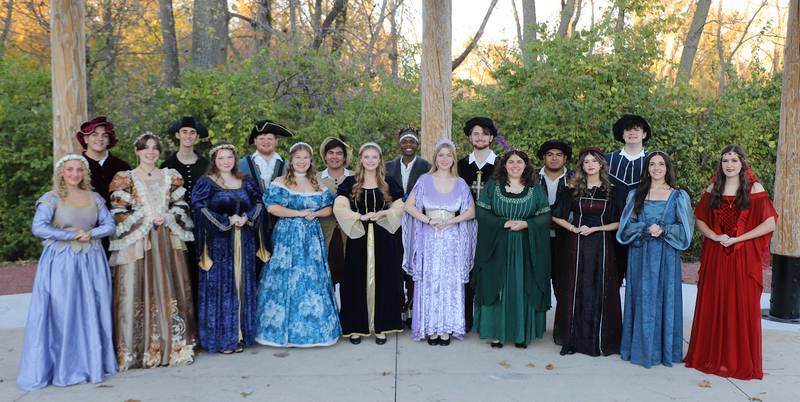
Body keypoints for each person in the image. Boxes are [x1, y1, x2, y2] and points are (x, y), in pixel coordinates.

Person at [17, 154, 117, 390]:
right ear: (62, 172)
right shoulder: (51, 198)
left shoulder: (94, 197)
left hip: (91, 260)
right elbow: (38, 227)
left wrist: (92, 233)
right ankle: (63, 366)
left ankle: (93, 363)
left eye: (79, 170)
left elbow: (110, 225)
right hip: (62, 262)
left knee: (93, 308)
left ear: (85, 173)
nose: (74, 174)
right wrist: (72, 234)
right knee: (64, 311)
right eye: (70, 170)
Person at [685, 145, 777, 380]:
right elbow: (700, 219)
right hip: (716, 254)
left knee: (740, 303)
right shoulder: (714, 187)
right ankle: (712, 356)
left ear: (742, 163)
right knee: (715, 301)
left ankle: (737, 360)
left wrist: (738, 238)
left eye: (734, 160)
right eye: (725, 160)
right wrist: (715, 236)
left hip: (742, 255)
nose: (729, 164)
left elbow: (769, 224)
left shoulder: (754, 188)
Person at [108, 132, 196, 370]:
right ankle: (139, 349)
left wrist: (167, 216)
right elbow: (117, 211)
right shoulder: (125, 177)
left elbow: (181, 204)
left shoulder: (171, 176)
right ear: (137, 151)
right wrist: (146, 219)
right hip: (140, 242)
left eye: (155, 148)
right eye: (145, 148)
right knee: (137, 288)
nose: (150, 152)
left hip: (166, 238)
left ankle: (173, 346)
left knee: (169, 287)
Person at [255, 142, 342, 347]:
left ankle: (315, 331)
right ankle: (280, 331)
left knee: (311, 280)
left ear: (310, 161)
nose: (302, 161)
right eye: (298, 158)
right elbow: (272, 208)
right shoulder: (280, 181)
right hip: (287, 236)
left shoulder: (317, 183)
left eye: (306, 158)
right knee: (284, 280)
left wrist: (315, 213)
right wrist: (299, 214)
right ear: (291, 160)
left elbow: (329, 208)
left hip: (311, 239)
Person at [617, 151, 693, 368]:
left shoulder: (679, 196)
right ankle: (640, 349)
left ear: (668, 168)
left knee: (665, 298)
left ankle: (664, 350)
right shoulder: (635, 195)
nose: (657, 168)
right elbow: (625, 227)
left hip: (666, 257)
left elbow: (686, 231)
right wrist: (644, 228)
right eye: (652, 164)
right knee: (641, 298)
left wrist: (665, 229)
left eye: (661, 164)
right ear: (647, 168)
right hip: (640, 256)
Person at [471, 149, 551, 349]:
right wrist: (502, 223)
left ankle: (520, 334)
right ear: (504, 165)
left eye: (519, 162)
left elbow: (544, 216)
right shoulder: (492, 186)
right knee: (497, 285)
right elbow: (481, 212)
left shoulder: (535, 188)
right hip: (497, 245)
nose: (515, 165)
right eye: (511, 162)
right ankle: (496, 333)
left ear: (526, 165)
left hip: (526, 247)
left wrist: (526, 224)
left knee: (522, 287)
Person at [192, 143, 266, 354]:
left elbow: (259, 203)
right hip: (219, 244)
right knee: (222, 288)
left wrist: (246, 217)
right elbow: (199, 208)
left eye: (229, 157)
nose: (226, 161)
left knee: (242, 284)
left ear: (235, 159)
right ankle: (224, 338)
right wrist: (226, 220)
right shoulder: (206, 183)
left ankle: (241, 335)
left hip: (245, 241)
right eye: (221, 158)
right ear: (214, 160)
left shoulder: (246, 181)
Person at [402, 139, 476, 345]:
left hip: (452, 238)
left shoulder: (460, 183)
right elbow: (409, 206)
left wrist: (452, 221)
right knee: (430, 280)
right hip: (429, 236)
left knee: (449, 282)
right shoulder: (424, 180)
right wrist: (429, 220)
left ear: (453, 159)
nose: (445, 159)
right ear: (435, 158)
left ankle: (446, 328)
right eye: (441, 155)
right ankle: (430, 328)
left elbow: (471, 211)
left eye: (448, 155)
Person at [551, 147, 622, 356]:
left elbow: (619, 222)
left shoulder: (612, 190)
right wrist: (573, 228)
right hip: (577, 244)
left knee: (600, 286)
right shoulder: (572, 188)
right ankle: (573, 338)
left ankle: (599, 338)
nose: (589, 165)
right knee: (575, 286)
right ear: (582, 166)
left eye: (593, 161)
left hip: (601, 244)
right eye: (586, 162)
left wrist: (597, 228)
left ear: (601, 164)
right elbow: (556, 215)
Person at [334, 142, 405, 345]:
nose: (371, 161)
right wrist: (358, 216)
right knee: (355, 279)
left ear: (380, 160)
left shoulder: (389, 182)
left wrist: (385, 212)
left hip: (384, 238)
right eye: (367, 157)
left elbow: (401, 204)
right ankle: (356, 327)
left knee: (385, 279)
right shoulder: (350, 182)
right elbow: (339, 205)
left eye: (375, 157)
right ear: (361, 160)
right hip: (359, 237)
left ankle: (382, 326)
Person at [162, 116, 211, 309]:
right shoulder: (167, 166)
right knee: (182, 271)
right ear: (177, 135)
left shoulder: (206, 165)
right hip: (177, 228)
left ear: (197, 137)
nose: (188, 136)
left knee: (204, 269)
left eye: (192, 132)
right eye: (184, 132)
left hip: (205, 226)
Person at [385, 127, 431, 329]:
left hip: (417, 221)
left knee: (414, 264)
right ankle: (396, 307)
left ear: (417, 143)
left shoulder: (426, 166)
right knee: (395, 264)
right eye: (405, 142)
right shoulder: (387, 167)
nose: (408, 145)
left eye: (412, 142)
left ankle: (412, 307)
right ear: (399, 143)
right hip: (393, 221)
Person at [458, 116, 499, 332]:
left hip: (492, 226)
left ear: (492, 137)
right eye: (475, 133)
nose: (480, 137)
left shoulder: (502, 164)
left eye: (484, 133)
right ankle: (465, 317)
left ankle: (488, 318)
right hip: (465, 226)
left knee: (489, 269)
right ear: (470, 137)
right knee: (465, 269)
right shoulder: (461, 165)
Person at [536, 139, 574, 343]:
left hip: (565, 238)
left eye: (558, 154)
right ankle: (534, 326)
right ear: (543, 157)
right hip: (536, 237)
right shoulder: (531, 176)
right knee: (535, 283)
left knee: (564, 285)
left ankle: (562, 329)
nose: (554, 158)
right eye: (550, 154)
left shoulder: (576, 179)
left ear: (565, 158)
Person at [239, 119, 293, 262]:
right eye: (261, 138)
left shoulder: (288, 165)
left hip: (281, 224)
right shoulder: (241, 165)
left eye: (270, 138)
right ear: (255, 141)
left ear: (276, 141)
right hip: (250, 225)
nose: (266, 141)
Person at [606, 114, 651, 283]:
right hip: (611, 225)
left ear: (644, 134)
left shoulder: (653, 162)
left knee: (639, 278)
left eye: (637, 129)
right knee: (611, 277)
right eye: (628, 129)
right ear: (622, 134)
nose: (632, 133)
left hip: (641, 226)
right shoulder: (607, 160)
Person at [316, 137, 353, 286]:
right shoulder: (315, 178)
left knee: (350, 279)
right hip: (324, 234)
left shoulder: (355, 176)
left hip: (350, 235)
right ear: (325, 156)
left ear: (344, 157)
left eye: (339, 153)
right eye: (330, 153)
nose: (334, 157)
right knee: (325, 279)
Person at [76, 116, 131, 206]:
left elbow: (129, 197)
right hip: (85, 217)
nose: (100, 138)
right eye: (94, 134)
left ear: (109, 140)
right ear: (86, 139)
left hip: (117, 217)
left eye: (104, 135)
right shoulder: (76, 166)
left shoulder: (122, 166)